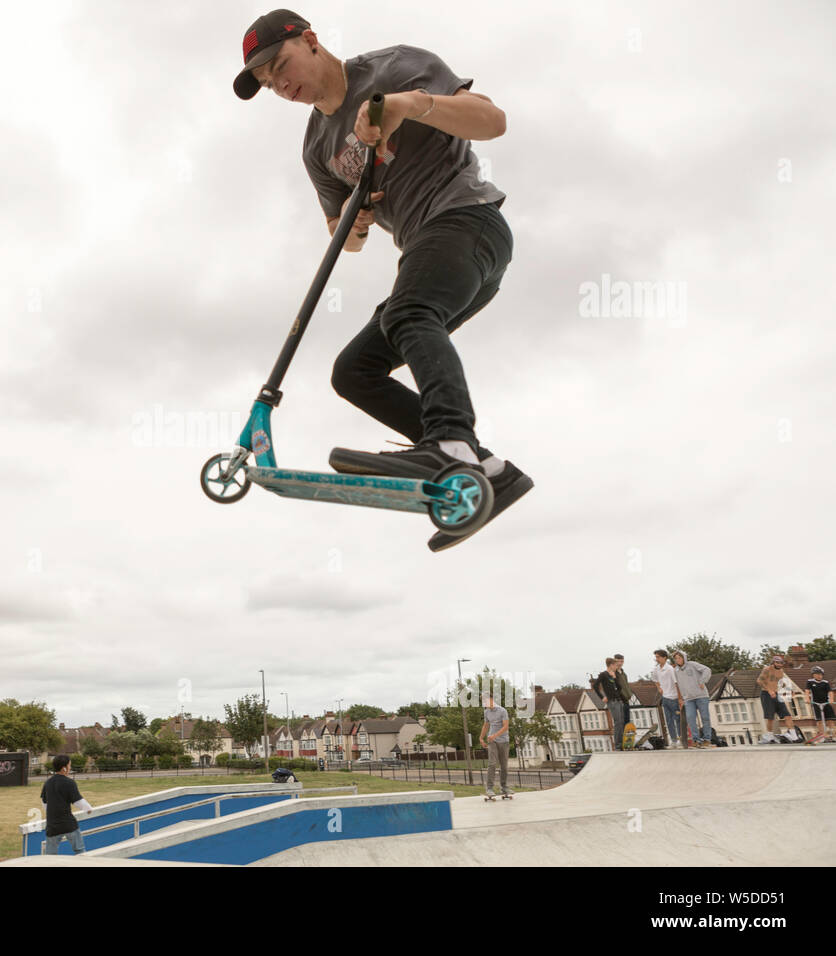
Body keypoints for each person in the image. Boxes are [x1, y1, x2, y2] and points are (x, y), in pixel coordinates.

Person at [232, 10, 533, 551]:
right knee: (354, 371)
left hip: (470, 220)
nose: (279, 84)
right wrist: (354, 217)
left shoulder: (395, 69)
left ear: (312, 41)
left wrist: (408, 105)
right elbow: (341, 233)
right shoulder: (316, 146)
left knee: (407, 315)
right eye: (267, 82)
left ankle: (450, 444)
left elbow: (493, 121)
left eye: (280, 65)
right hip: (426, 250)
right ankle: (487, 470)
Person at [40, 755, 93, 855]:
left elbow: (44, 802)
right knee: (79, 850)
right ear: (64, 768)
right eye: (69, 765)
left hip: (52, 825)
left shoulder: (48, 783)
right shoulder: (69, 783)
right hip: (68, 824)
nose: (70, 768)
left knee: (50, 855)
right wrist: (88, 809)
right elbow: (78, 800)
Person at [672, 652, 714, 748]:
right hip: (688, 698)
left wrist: (702, 681)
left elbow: (707, 670)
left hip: (701, 696)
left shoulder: (692, 664)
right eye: (676, 658)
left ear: (684, 658)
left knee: (705, 718)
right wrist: (680, 698)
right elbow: (677, 684)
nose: (678, 660)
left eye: (679, 658)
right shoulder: (676, 671)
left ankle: (707, 739)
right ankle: (696, 740)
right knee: (690, 718)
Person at [756, 655, 800, 743]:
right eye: (777, 663)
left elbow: (783, 683)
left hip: (777, 694)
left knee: (787, 715)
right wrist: (769, 690)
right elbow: (759, 681)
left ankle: (794, 737)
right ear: (773, 662)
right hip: (766, 694)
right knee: (770, 717)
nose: (779, 665)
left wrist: (790, 690)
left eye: (781, 663)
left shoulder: (781, 671)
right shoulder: (767, 669)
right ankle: (769, 735)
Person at [479, 690, 511, 797]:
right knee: (492, 764)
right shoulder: (486, 712)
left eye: (484, 701)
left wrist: (495, 735)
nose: (484, 703)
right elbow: (486, 726)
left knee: (504, 766)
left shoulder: (502, 711)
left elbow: (505, 726)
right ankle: (489, 788)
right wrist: (481, 738)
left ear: (491, 699)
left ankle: (504, 787)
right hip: (492, 741)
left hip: (504, 741)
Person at [653, 649, 683, 748]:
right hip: (665, 698)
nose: (657, 659)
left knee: (677, 719)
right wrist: (659, 688)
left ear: (664, 657)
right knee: (669, 721)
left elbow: (676, 683)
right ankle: (673, 741)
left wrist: (679, 698)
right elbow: (655, 680)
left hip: (674, 698)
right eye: (656, 657)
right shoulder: (656, 669)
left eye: (658, 657)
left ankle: (681, 739)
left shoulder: (670, 669)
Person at [596, 659, 626, 750]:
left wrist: (615, 678)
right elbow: (595, 686)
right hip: (612, 702)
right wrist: (602, 697)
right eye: (615, 665)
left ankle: (621, 743)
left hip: (619, 700)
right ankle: (618, 746)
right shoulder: (603, 675)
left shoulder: (614, 674)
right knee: (617, 722)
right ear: (611, 665)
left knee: (621, 722)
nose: (617, 667)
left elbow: (620, 688)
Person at [804, 666, 835, 744]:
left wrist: (831, 699)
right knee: (819, 721)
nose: (819, 676)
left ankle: (833, 735)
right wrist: (807, 698)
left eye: (821, 674)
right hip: (816, 704)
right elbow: (807, 691)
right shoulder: (810, 681)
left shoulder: (825, 682)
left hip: (826, 703)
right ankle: (823, 736)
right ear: (813, 675)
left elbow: (830, 692)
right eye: (817, 674)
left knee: (831, 720)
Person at [613, 653, 633, 729]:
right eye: (618, 661)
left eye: (622, 661)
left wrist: (629, 694)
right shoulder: (613, 673)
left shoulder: (624, 673)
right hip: (619, 700)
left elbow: (626, 685)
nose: (620, 663)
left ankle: (627, 738)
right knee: (621, 721)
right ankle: (621, 739)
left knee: (627, 720)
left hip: (626, 700)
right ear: (614, 661)